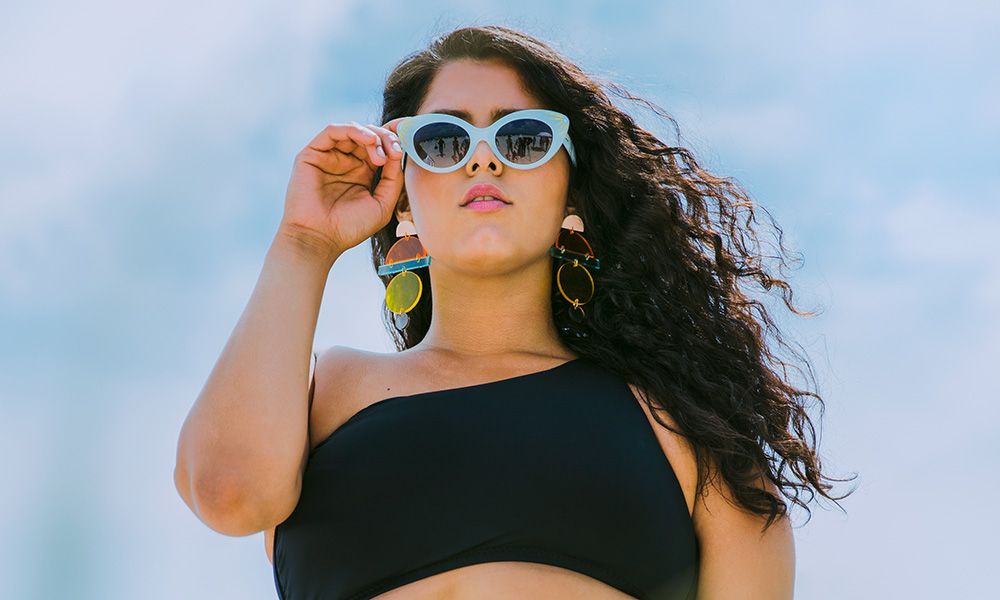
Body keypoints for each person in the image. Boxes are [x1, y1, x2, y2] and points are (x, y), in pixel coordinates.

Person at [174, 25, 853, 600]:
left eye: (522, 138)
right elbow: (228, 496)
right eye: (441, 141)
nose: (482, 162)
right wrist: (304, 243)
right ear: (403, 195)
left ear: (571, 194)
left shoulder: (685, 427)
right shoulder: (323, 395)